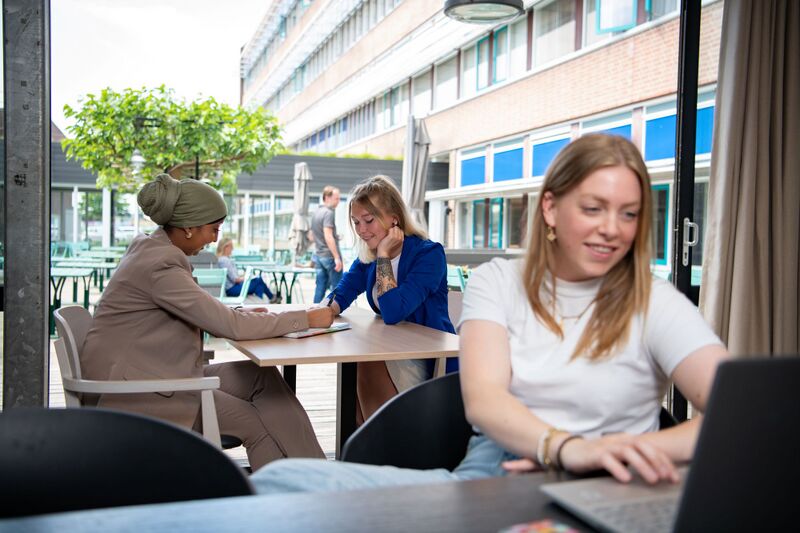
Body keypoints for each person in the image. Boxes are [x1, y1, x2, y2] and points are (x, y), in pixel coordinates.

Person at [250, 133, 729, 493]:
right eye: (593, 208)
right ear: (550, 209)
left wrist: (617, 454)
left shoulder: (656, 300)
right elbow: (484, 402)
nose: (612, 229)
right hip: (498, 469)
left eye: (629, 213)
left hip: (614, 484)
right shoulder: (497, 282)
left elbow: (737, 410)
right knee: (282, 481)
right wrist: (568, 448)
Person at [80, 174, 335, 471]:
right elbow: (229, 327)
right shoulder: (161, 265)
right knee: (257, 425)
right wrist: (305, 318)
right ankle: (282, 501)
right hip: (137, 396)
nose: (215, 239)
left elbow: (208, 311)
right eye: (214, 229)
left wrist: (243, 313)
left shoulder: (150, 250)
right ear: (189, 227)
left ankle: (319, 475)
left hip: (148, 376)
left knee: (261, 376)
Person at [325, 175, 456, 423]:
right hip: (389, 351)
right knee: (359, 359)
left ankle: (378, 449)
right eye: (355, 222)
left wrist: (384, 257)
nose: (361, 230)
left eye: (368, 220)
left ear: (394, 218)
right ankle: (363, 450)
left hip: (429, 360)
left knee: (364, 358)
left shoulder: (428, 255)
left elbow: (393, 311)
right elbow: (342, 293)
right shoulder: (368, 256)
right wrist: (327, 310)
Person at [311, 186, 343, 304]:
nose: (338, 201)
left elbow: (312, 235)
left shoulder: (316, 212)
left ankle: (314, 312)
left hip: (319, 256)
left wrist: (335, 237)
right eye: (336, 198)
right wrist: (336, 257)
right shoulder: (328, 213)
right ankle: (336, 314)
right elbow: (328, 235)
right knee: (338, 288)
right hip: (329, 257)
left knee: (320, 288)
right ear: (327, 198)